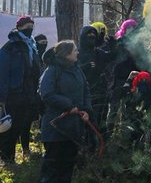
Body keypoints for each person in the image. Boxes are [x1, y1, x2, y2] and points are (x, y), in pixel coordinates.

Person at [38, 40, 93, 183]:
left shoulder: (77, 69)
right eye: (75, 50)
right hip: (55, 130)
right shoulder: (51, 71)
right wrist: (69, 106)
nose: (77, 52)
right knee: (52, 169)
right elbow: (47, 94)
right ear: (67, 53)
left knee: (67, 168)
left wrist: (86, 110)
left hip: (73, 128)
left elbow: (86, 90)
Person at [0, 15, 42, 164]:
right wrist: (2, 98)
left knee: (20, 126)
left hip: (28, 94)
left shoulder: (33, 47)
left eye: (31, 26)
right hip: (13, 94)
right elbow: (2, 72)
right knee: (8, 127)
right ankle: (7, 159)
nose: (29, 29)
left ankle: (10, 157)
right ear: (18, 28)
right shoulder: (10, 47)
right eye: (26, 26)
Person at [78, 25, 114, 127]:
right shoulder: (77, 53)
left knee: (100, 118)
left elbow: (112, 56)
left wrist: (112, 44)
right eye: (89, 34)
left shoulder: (98, 52)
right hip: (83, 93)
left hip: (100, 91)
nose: (92, 36)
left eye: (93, 33)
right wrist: (85, 67)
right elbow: (72, 70)